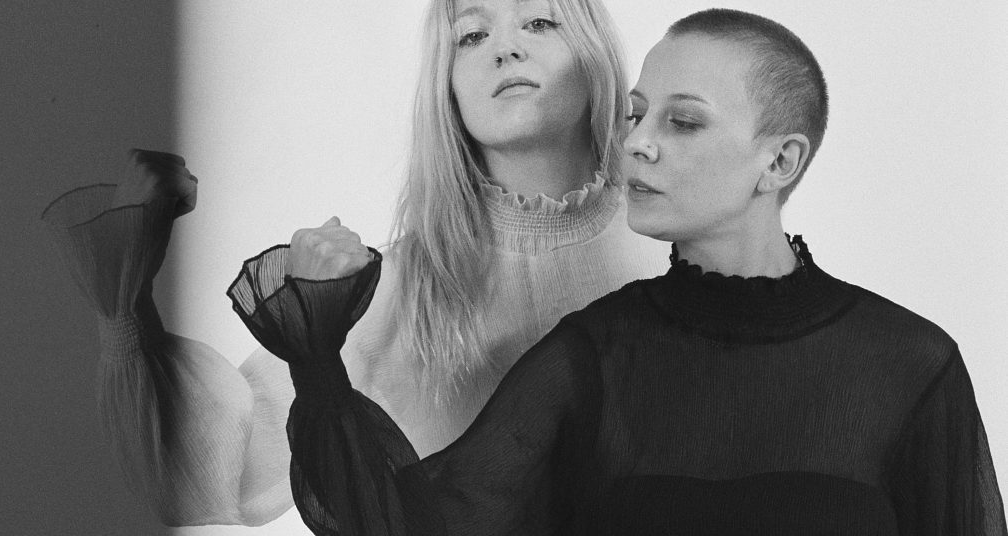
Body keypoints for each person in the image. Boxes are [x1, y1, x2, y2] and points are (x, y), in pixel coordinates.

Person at [229, 8, 1007, 534]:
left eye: (684, 121)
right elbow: (417, 524)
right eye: (635, 115)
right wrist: (316, 351)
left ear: (780, 161)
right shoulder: (592, 354)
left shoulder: (910, 364)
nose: (636, 142)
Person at [40, 0, 664, 528]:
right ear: (447, 87)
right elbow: (222, 472)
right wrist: (125, 295)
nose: (505, 49)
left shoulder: (682, 246)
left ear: (595, 52)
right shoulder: (389, 295)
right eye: (471, 36)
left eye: (540, 22)